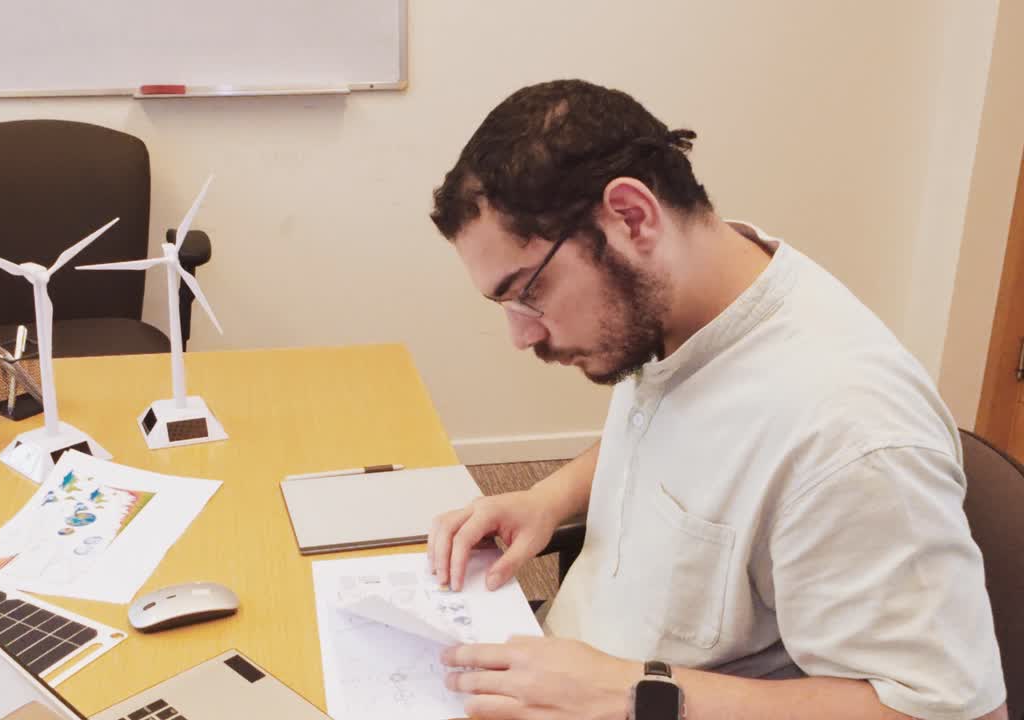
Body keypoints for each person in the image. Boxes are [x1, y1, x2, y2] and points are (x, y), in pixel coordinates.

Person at [426, 79, 1006, 720]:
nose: (522, 336)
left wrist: (634, 693)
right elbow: (678, 435)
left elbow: (961, 714)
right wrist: (550, 496)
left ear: (632, 217)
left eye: (528, 292)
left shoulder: (851, 433)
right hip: (558, 668)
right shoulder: (687, 296)